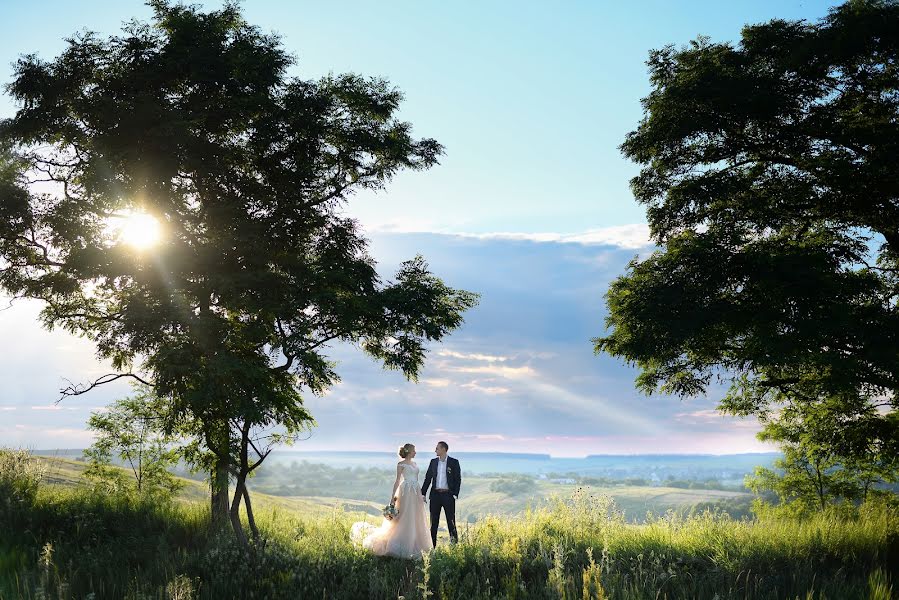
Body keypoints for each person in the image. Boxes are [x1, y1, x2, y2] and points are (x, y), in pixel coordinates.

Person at [350, 443, 432, 558]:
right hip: (405, 492)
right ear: (409, 451)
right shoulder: (401, 464)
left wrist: (420, 495)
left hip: (415, 492)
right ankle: (401, 545)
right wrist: (392, 498)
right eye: (414, 450)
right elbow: (397, 481)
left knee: (415, 517)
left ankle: (415, 544)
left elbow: (416, 480)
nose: (415, 452)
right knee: (403, 517)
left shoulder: (414, 463)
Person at [420, 441, 461, 546]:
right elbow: (428, 478)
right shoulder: (433, 462)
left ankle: (455, 547)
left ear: (443, 449)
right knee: (433, 523)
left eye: (437, 448)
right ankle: (431, 547)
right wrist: (422, 493)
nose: (435, 450)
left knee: (451, 522)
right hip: (435, 496)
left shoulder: (454, 462)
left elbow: (458, 479)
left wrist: (454, 494)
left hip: (448, 495)